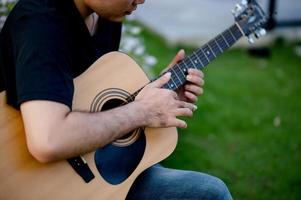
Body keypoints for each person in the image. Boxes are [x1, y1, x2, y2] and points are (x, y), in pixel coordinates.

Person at [0, 0, 233, 199]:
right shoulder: (41, 24)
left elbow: (90, 96)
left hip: (94, 173)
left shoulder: (104, 17)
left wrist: (160, 93)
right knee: (211, 193)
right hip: (40, 185)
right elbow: (48, 141)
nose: (141, 0)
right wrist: (142, 110)